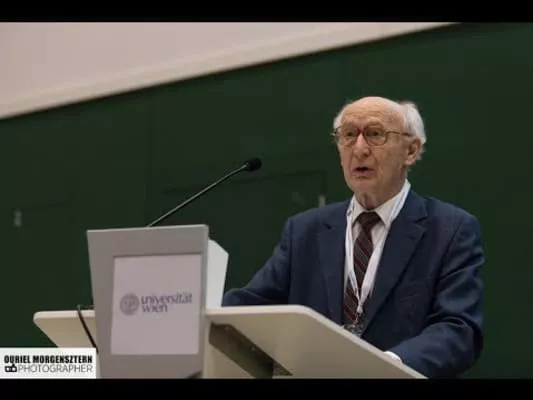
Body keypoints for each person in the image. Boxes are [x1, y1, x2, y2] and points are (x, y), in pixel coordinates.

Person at [222, 96, 484, 379]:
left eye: (375, 134)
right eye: (348, 135)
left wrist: (387, 366)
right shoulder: (304, 231)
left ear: (410, 151)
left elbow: (458, 329)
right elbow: (249, 306)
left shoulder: (450, 229)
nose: (359, 149)